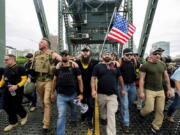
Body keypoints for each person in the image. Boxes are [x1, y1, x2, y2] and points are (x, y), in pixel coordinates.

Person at [139, 48, 173, 134]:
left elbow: (166, 77)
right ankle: (142, 114)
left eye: (159, 54)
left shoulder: (162, 64)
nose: (158, 55)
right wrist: (141, 91)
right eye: (155, 53)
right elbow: (142, 79)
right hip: (149, 90)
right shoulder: (145, 65)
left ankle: (155, 127)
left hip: (160, 90)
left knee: (160, 110)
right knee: (149, 109)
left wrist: (169, 89)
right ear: (150, 55)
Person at [31, 38, 62, 133]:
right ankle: (46, 114)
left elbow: (62, 60)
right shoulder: (36, 54)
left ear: (47, 44)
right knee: (42, 101)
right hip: (38, 80)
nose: (40, 43)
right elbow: (32, 66)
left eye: (42, 42)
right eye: (39, 42)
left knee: (46, 101)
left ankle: (46, 124)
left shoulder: (52, 53)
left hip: (49, 80)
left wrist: (57, 66)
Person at [91, 51, 125, 135]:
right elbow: (93, 78)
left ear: (111, 56)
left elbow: (120, 78)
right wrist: (93, 90)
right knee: (102, 111)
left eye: (108, 54)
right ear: (102, 56)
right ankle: (103, 117)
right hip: (101, 94)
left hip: (112, 95)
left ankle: (111, 133)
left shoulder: (115, 66)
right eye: (105, 54)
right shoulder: (97, 66)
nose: (107, 55)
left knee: (111, 115)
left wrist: (123, 88)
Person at [53, 50, 83, 135]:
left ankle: (74, 119)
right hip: (61, 96)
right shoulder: (58, 68)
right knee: (61, 115)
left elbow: (80, 80)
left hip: (73, 94)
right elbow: (54, 80)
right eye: (62, 55)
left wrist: (81, 93)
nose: (64, 56)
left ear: (69, 56)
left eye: (66, 55)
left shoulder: (75, 67)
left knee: (74, 109)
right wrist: (52, 93)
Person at [0, 54, 28, 132]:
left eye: (6, 60)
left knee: (16, 106)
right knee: (7, 107)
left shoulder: (20, 68)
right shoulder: (5, 69)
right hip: (7, 90)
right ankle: (13, 122)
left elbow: (24, 79)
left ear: (12, 60)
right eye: (4, 60)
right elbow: (3, 79)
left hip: (17, 90)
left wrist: (17, 86)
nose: (4, 61)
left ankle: (24, 115)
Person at [76, 46, 98, 129]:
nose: (85, 52)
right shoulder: (77, 62)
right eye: (83, 51)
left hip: (90, 88)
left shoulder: (94, 62)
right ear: (81, 52)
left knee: (90, 105)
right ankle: (83, 116)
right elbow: (66, 62)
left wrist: (114, 62)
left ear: (89, 52)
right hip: (80, 88)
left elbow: (105, 62)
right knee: (82, 104)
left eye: (87, 51)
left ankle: (89, 120)